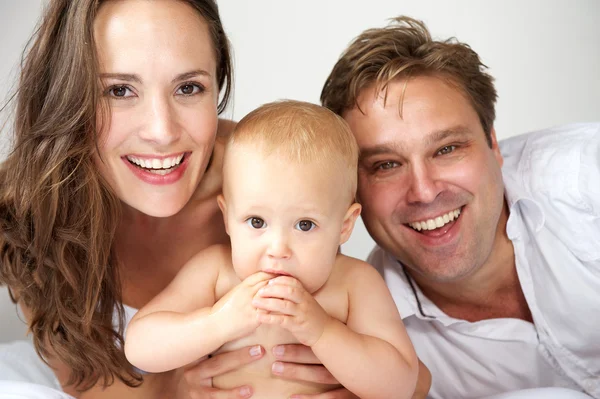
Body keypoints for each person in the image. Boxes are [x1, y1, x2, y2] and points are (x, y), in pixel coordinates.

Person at [0, 1, 362, 398]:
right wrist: (176, 385)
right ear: (68, 96)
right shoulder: (31, 203)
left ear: (217, 87)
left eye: (188, 87)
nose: (162, 131)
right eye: (119, 91)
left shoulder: (278, 181)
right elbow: (86, 386)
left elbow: (410, 374)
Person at [320, 16, 600, 399]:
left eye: (447, 149)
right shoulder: (363, 342)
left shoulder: (587, 178)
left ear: (493, 144)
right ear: (351, 189)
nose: (424, 191)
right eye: (386, 165)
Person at [124, 100, 419, 398]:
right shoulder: (216, 273)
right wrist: (218, 322)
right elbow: (140, 348)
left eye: (304, 225)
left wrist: (323, 331)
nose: (278, 249)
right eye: (256, 221)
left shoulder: (354, 284)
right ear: (227, 217)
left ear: (344, 226)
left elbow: (401, 385)